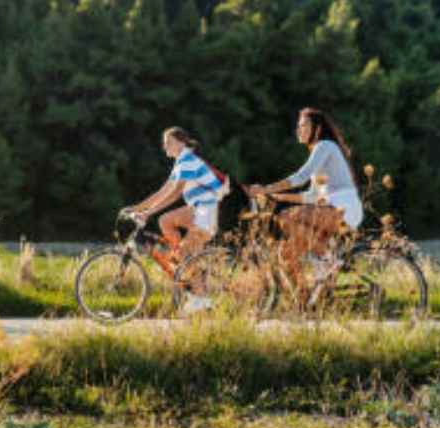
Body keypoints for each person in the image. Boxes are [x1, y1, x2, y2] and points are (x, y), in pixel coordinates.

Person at [246, 107, 362, 281]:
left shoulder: (325, 146)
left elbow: (301, 176)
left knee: (285, 217)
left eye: (304, 125)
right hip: (329, 209)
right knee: (286, 254)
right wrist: (278, 197)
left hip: (343, 208)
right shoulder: (321, 152)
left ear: (318, 129)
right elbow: (311, 196)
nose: (299, 130)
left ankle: (328, 257)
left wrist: (265, 189)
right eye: (298, 126)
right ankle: (305, 299)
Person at [124, 126, 227, 313]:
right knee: (165, 221)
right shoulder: (181, 161)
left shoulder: (188, 160)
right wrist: (137, 208)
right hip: (198, 210)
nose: (165, 147)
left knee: (183, 254)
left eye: (168, 143)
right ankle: (184, 262)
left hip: (206, 212)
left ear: (181, 142)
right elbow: (163, 191)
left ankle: (201, 298)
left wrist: (148, 213)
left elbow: (175, 194)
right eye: (164, 144)